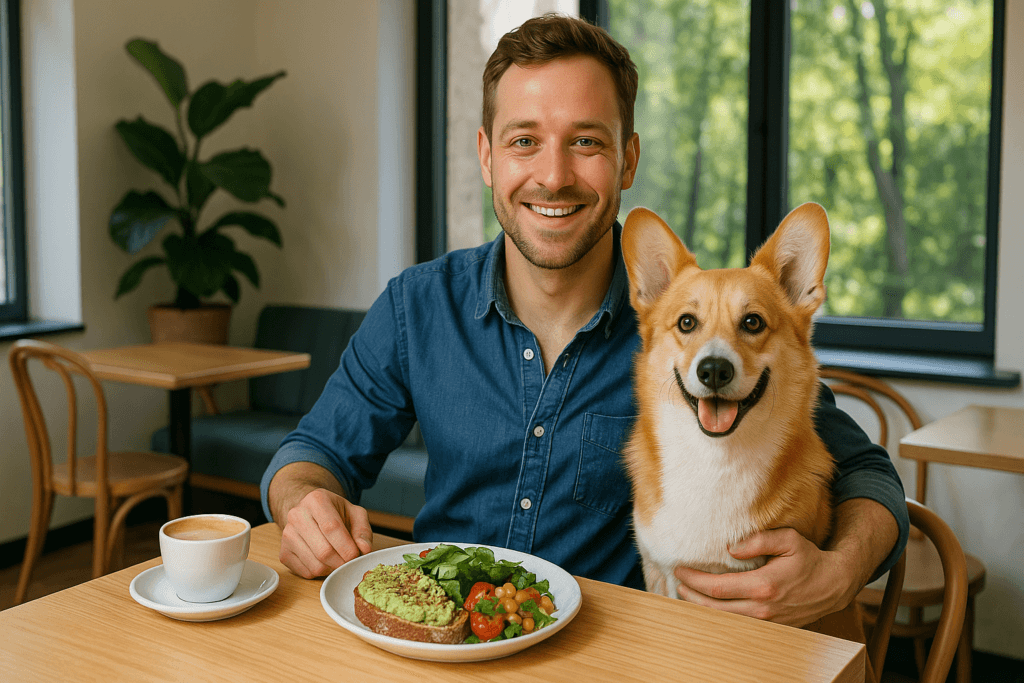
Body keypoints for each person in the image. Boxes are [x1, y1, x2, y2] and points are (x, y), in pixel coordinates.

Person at [260, 13, 908, 630]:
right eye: (524, 141)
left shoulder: (687, 326)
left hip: (610, 653)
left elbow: (865, 471)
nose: (554, 175)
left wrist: (841, 569)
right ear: (487, 157)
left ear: (627, 160)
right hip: (446, 640)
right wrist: (303, 504)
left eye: (586, 142)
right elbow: (311, 455)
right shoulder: (416, 306)